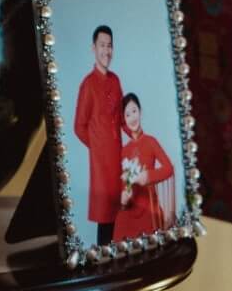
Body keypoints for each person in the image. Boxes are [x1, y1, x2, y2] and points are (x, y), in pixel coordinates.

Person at [73, 24, 122, 246]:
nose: (106, 51)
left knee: (121, 216)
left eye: (109, 46)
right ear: (94, 48)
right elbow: (79, 126)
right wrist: (99, 147)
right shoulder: (88, 85)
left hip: (119, 160)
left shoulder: (115, 80)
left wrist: (138, 134)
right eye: (102, 45)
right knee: (105, 218)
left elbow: (121, 117)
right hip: (102, 166)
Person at [113, 92, 175, 244]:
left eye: (134, 111)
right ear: (124, 120)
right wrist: (123, 200)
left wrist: (148, 176)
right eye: (127, 115)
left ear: (140, 112)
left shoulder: (150, 141)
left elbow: (169, 168)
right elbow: (123, 186)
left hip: (149, 209)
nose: (132, 118)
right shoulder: (123, 151)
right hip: (128, 211)